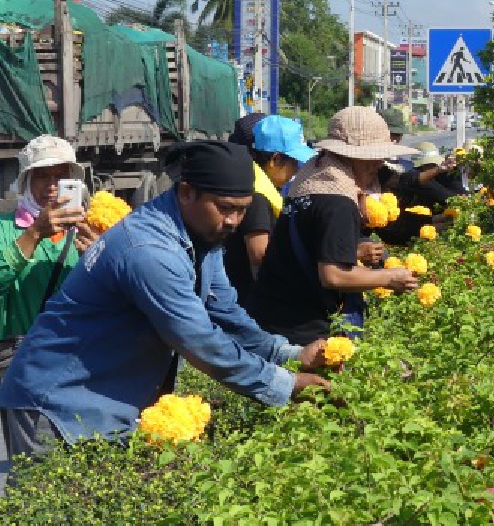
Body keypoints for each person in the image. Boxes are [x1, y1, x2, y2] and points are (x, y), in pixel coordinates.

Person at [0, 141, 332, 493]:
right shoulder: (148, 251)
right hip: (57, 405)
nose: (234, 221)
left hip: (104, 404)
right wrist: (287, 385)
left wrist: (290, 354)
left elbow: (228, 314)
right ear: (186, 193)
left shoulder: (202, 237)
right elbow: (198, 339)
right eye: (225, 208)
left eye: (242, 211)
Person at [244, 107, 420, 345]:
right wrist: (389, 277)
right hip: (303, 328)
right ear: (350, 156)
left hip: (273, 316)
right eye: (373, 157)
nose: (378, 164)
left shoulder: (311, 185)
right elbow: (333, 275)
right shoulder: (337, 203)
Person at [0, 136, 97, 379]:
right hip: (18, 363)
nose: (52, 185)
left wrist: (99, 261)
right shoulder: (5, 229)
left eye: (61, 176)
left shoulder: (90, 230)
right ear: (27, 182)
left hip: (73, 358)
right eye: (43, 175)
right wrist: (34, 233)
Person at [223, 116, 316, 302]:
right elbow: (260, 254)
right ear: (275, 159)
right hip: (247, 300)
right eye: (294, 163)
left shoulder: (254, 182)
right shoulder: (258, 198)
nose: (297, 170)